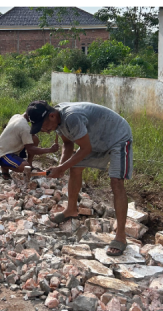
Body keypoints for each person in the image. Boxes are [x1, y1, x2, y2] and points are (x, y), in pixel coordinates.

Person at [28, 100, 134, 256]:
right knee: (75, 168)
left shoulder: (71, 118)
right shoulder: (57, 121)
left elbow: (85, 149)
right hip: (95, 139)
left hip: (117, 136)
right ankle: (71, 209)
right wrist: (61, 166)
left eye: (43, 126)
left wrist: (61, 168)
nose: (44, 130)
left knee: (116, 181)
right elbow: (68, 145)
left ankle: (121, 236)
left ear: (51, 116)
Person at [0, 108, 60, 181]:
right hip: (2, 155)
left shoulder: (17, 117)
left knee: (35, 139)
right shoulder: (24, 127)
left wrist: (38, 128)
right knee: (25, 166)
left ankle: (29, 164)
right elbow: (31, 149)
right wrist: (50, 150)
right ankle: (4, 169)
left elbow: (29, 133)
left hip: (8, 149)